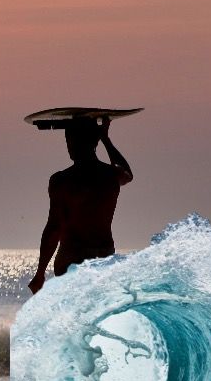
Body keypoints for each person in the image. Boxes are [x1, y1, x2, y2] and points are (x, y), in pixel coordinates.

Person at [29, 117, 133, 294]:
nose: (69, 145)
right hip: (104, 260)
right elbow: (127, 172)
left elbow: (54, 227)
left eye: (71, 140)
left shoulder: (63, 180)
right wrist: (105, 139)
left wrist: (40, 273)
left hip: (73, 260)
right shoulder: (110, 176)